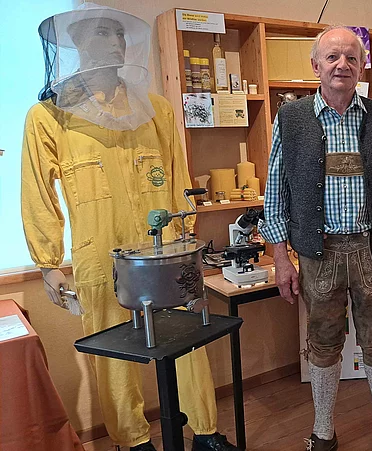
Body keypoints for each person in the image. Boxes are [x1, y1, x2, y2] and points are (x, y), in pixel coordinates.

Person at [21, 4, 239, 451]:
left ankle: (204, 431)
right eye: (101, 33)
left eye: (118, 34)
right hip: (100, 255)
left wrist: (186, 235)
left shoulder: (154, 110)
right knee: (113, 352)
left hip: (166, 250)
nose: (114, 42)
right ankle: (133, 441)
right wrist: (48, 262)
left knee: (188, 338)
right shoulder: (49, 116)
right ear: (77, 42)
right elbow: (37, 192)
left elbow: (177, 178)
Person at [260, 25, 372, 451]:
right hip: (318, 253)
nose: (342, 65)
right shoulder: (291, 119)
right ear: (316, 66)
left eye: (352, 57)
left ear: (362, 66)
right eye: (332, 57)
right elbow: (276, 191)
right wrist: (280, 258)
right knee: (323, 341)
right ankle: (323, 431)